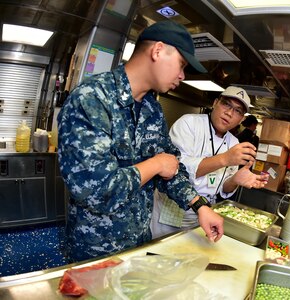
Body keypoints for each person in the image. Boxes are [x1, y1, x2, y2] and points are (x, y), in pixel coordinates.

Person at [57, 20, 224, 262]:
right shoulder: (92, 99)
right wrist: (155, 164)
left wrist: (200, 206)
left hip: (138, 243)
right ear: (157, 50)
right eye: (181, 64)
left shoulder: (152, 109)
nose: (182, 75)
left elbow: (171, 167)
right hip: (96, 250)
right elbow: (97, 190)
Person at [151, 86, 269, 238]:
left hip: (204, 216)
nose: (229, 113)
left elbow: (223, 187)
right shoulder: (189, 124)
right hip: (171, 212)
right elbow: (174, 170)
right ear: (215, 103)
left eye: (238, 111)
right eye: (226, 104)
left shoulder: (234, 143)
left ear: (242, 119)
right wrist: (225, 158)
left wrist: (235, 180)